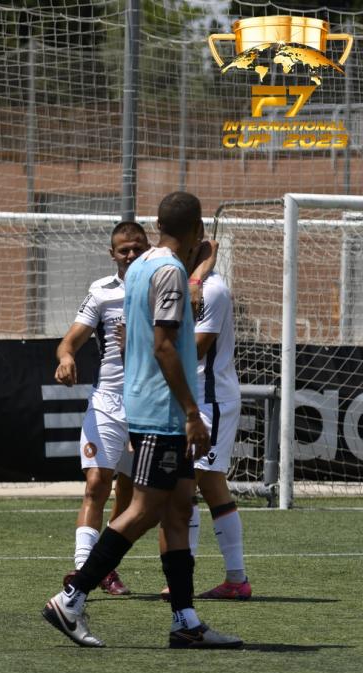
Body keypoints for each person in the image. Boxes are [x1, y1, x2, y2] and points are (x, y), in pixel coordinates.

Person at [42, 191, 243, 649]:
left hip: (149, 404)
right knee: (145, 510)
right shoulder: (168, 271)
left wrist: (200, 269)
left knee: (179, 510)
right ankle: (71, 598)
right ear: (196, 230)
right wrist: (191, 412)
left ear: (157, 227)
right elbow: (164, 346)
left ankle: (185, 622)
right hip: (162, 411)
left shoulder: (142, 267)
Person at [55, 221, 147, 595]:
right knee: (96, 483)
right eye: (124, 250)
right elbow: (69, 342)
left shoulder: (161, 287)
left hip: (147, 404)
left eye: (137, 248)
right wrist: (66, 358)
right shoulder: (101, 292)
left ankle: (105, 567)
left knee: (128, 493)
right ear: (113, 254)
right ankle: (82, 571)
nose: (131, 255)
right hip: (107, 402)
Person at [161, 254, 252, 599]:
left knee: (190, 484)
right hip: (192, 397)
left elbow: (197, 349)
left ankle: (187, 579)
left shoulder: (212, 290)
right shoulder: (182, 283)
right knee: (207, 485)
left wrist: (156, 345)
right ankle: (234, 580)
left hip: (210, 400)